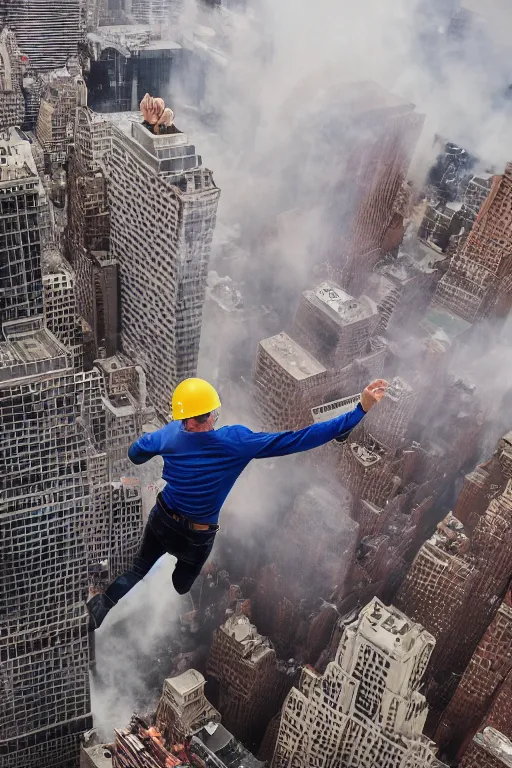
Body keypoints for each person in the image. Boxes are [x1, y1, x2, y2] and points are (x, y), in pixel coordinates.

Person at [86, 377, 388, 630]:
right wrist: (358, 411)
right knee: (181, 585)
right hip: (196, 537)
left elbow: (136, 453)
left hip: (162, 519)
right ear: (197, 418)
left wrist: (157, 445)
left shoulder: (170, 434)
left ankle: (103, 605)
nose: (214, 418)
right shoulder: (234, 441)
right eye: (210, 414)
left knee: (138, 570)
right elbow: (297, 439)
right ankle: (174, 577)